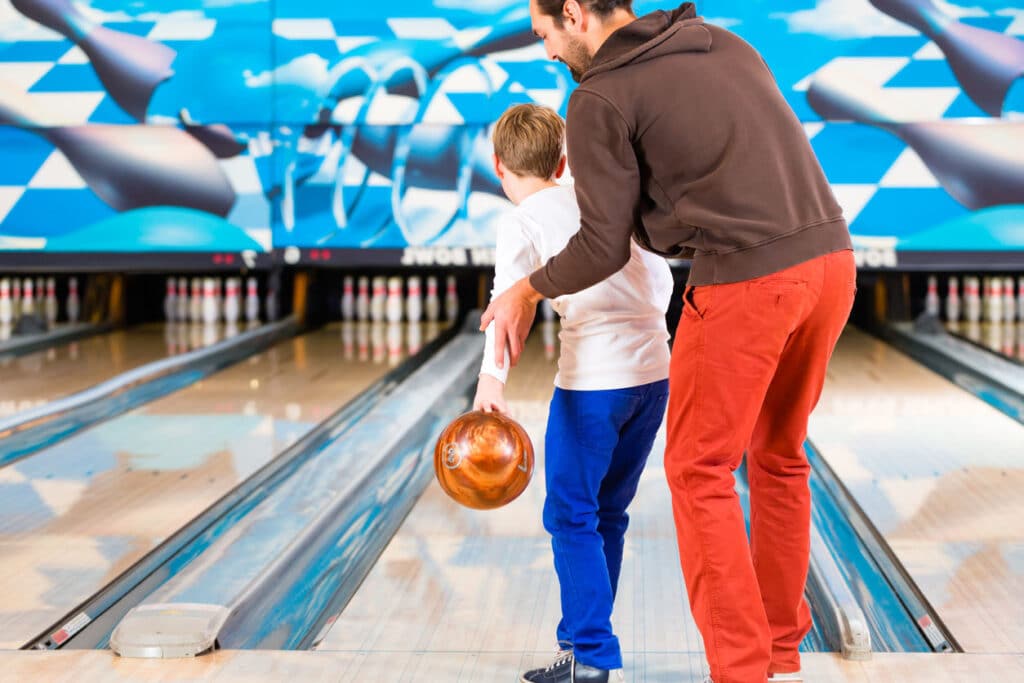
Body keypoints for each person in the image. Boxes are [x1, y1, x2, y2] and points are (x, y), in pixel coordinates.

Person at [481, 2, 857, 682]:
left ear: (573, 15)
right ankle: (777, 651)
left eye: (545, 36)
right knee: (778, 456)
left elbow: (601, 244)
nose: (548, 55)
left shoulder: (599, 96)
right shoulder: (719, 42)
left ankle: (741, 668)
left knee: (698, 469)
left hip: (748, 280)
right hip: (832, 262)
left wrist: (527, 289)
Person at [474, 102, 673, 683]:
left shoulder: (520, 220)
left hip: (593, 385)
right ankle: (581, 643)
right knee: (605, 512)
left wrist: (493, 379)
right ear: (563, 161)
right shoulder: (598, 193)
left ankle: (590, 655)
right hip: (653, 378)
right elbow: (657, 274)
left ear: (498, 166)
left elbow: (507, 301)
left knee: (568, 514)